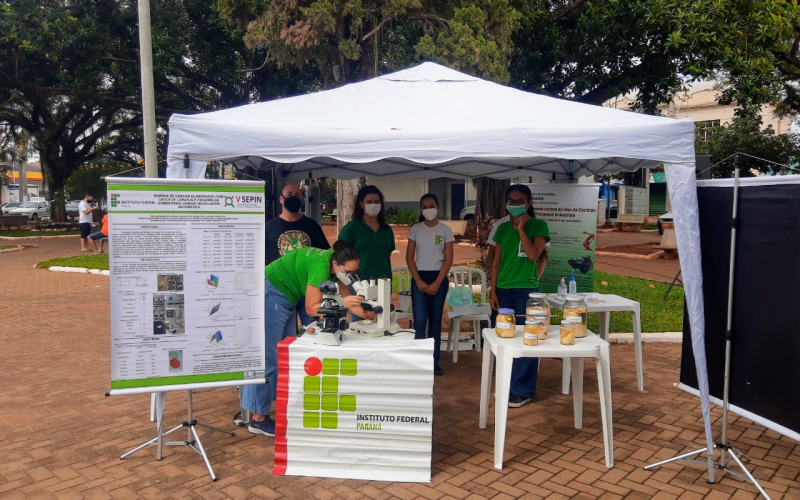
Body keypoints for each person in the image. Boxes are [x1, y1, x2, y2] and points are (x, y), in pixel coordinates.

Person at [243, 241, 376, 437]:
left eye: (354, 272)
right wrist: (342, 303)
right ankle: (257, 418)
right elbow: (311, 308)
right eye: (348, 272)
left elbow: (349, 299)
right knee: (267, 356)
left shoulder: (332, 265)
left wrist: (366, 313)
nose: (350, 276)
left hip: (287, 296)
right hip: (272, 291)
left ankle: (270, 408)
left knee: (283, 354)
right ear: (337, 264)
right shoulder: (320, 266)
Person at [490, 185, 550, 408]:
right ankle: (507, 385)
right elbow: (496, 262)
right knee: (505, 338)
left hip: (526, 291)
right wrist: (493, 290)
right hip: (503, 290)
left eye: (519, 201)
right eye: (511, 201)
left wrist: (522, 230)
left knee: (527, 339)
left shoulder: (539, 225)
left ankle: (522, 391)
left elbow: (534, 255)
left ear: (529, 203)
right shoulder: (502, 229)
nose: (514, 205)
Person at [265, 183, 330, 326]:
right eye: (289, 195)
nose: (293, 198)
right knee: (285, 337)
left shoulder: (311, 226)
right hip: (281, 290)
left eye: (297, 196)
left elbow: (325, 255)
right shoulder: (269, 227)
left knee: (313, 331)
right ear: (281, 199)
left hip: (308, 289)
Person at [405, 193, 454, 376]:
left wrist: (436, 283)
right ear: (421, 209)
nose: (428, 209)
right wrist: (418, 281)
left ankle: (434, 361)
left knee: (435, 321)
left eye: (431, 205)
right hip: (419, 277)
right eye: (424, 207)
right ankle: (419, 360)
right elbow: (409, 257)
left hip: (438, 278)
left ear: (438, 207)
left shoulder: (445, 230)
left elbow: (448, 260)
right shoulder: (416, 229)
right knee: (419, 321)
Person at [338, 185, 395, 314]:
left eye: (377, 202)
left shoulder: (386, 230)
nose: (373, 205)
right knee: (360, 321)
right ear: (361, 204)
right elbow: (340, 256)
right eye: (369, 202)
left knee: (382, 319)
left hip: (383, 283)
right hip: (359, 284)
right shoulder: (351, 228)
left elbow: (388, 253)